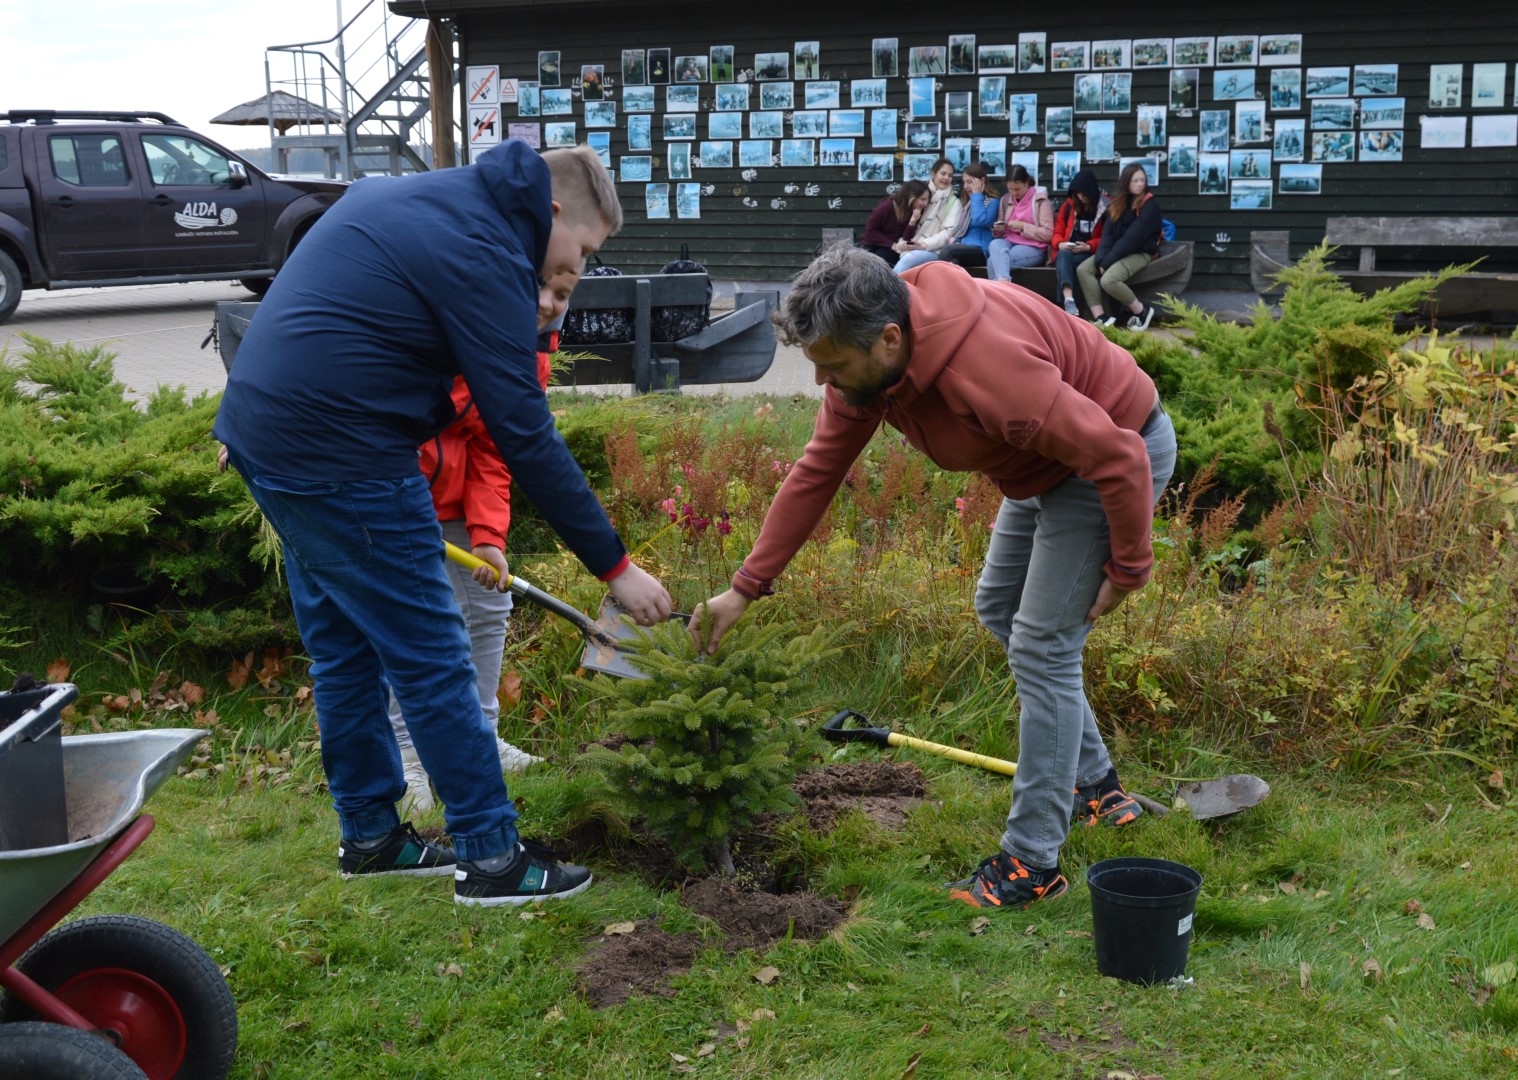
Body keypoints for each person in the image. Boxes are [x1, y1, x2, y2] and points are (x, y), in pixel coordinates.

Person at [213, 140, 673, 907]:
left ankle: (371, 836)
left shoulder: (424, 199)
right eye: (583, 251)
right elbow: (522, 430)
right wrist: (615, 568)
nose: (577, 270)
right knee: (431, 652)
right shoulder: (488, 246)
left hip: (265, 436)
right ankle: (492, 857)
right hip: (344, 451)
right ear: (553, 210)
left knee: (344, 647)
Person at [690, 245, 1175, 911]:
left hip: (1113, 455)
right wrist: (744, 587)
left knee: (1042, 644)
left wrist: (1129, 568)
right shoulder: (870, 369)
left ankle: (1032, 862)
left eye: (832, 366)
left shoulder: (988, 370)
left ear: (890, 339)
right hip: (1043, 468)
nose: (821, 384)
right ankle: (1098, 790)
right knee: (1000, 608)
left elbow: (1117, 454)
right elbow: (816, 473)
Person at [389, 314, 566, 816]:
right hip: (391, 487)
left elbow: (494, 443)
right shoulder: (441, 318)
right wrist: (404, 504)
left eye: (563, 292)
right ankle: (406, 753)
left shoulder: (531, 351)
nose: (551, 302)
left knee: (491, 602)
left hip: (456, 499)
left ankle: (481, 739)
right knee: (411, 620)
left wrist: (488, 534)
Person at [1077, 163, 1163, 331]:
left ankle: (1142, 310)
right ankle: (1101, 318)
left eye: (1142, 180)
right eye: (1135, 180)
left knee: (1109, 280)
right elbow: (1108, 235)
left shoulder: (1149, 205)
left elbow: (1133, 238)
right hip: (1117, 250)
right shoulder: (1117, 204)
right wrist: (1101, 259)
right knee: (1083, 269)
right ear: (1126, 182)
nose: (1140, 184)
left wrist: (1107, 262)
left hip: (1141, 251)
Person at [1049, 169, 1110, 316]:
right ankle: (1069, 299)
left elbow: (1108, 238)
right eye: (1078, 194)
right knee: (1063, 255)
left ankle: (1065, 306)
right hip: (1068, 251)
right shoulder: (1069, 205)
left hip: (1089, 253)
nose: (1081, 197)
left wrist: (1088, 246)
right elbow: (1057, 232)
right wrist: (1060, 244)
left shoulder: (1106, 208)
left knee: (1065, 261)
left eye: (1084, 194)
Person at [893, 159, 963, 274]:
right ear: (933, 173)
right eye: (943, 173)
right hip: (910, 243)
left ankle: (887, 290)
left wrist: (924, 245)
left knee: (908, 260)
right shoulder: (921, 194)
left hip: (935, 250)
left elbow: (947, 233)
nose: (946, 178)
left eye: (950, 175)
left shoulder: (954, 202)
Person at [987, 164, 1053, 281]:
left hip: (1033, 247)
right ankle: (1004, 284)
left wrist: (1023, 226)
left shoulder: (1040, 201)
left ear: (1027, 183)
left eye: (1017, 189)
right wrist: (998, 229)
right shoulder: (1005, 199)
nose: (1013, 193)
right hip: (1008, 242)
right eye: (1010, 189)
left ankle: (1001, 289)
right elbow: (1000, 232)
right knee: (994, 244)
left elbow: (1048, 234)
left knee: (993, 261)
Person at [936, 161, 999, 272]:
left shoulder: (992, 201)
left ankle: (933, 286)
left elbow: (980, 220)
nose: (965, 187)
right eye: (964, 182)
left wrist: (977, 195)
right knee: (953, 264)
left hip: (981, 250)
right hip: (963, 248)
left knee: (948, 250)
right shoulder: (967, 203)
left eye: (970, 182)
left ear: (982, 181)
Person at [860, 180, 929, 267]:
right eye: (923, 199)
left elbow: (906, 239)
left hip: (892, 251)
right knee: (871, 264)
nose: (925, 204)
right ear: (911, 197)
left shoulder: (915, 211)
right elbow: (870, 231)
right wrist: (892, 245)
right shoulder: (886, 207)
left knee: (886, 260)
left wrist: (912, 222)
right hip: (872, 246)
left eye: (927, 200)